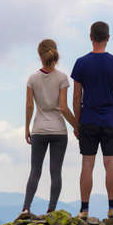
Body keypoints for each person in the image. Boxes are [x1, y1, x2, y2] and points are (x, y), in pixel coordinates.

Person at [71, 21, 113, 219]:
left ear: (90, 37)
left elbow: (76, 97)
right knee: (110, 163)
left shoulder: (81, 63)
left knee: (87, 163)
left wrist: (77, 123)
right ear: (108, 38)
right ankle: (112, 208)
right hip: (109, 121)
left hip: (88, 119)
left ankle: (84, 209)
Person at [20, 39, 78, 215]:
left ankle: (26, 208)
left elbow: (30, 106)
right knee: (55, 172)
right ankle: (51, 211)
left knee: (35, 170)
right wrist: (77, 126)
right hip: (59, 131)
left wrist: (26, 128)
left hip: (39, 130)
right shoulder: (62, 78)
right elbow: (63, 107)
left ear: (40, 54)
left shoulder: (32, 79)